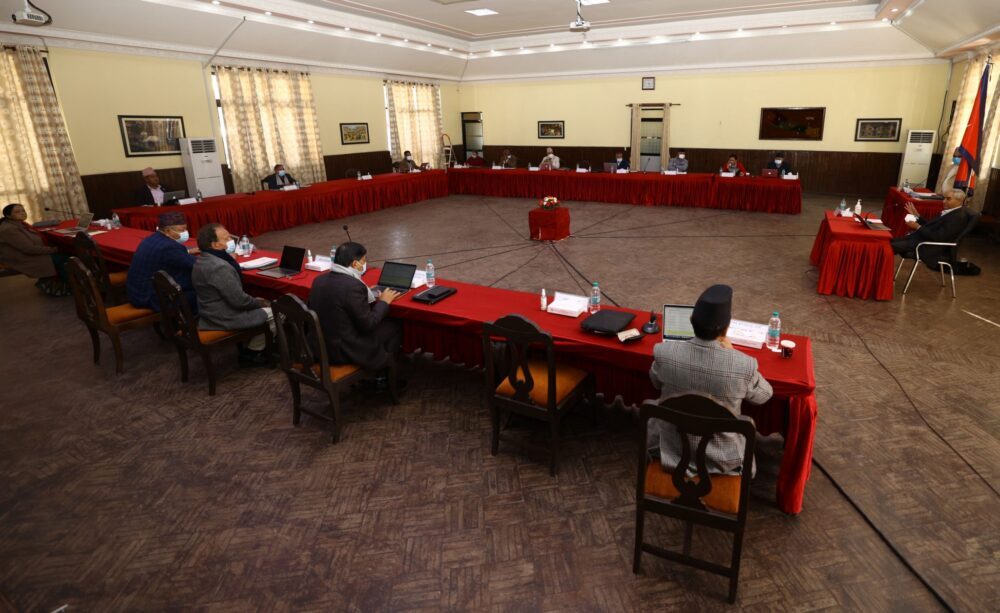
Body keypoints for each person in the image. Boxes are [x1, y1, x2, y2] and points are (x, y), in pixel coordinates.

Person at [648, 284, 772, 476]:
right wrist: (732, 353)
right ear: (726, 329)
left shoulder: (664, 352)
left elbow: (655, 382)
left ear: (691, 320)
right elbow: (764, 395)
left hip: (670, 451)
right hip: (724, 460)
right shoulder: (743, 365)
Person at [309, 241, 402, 383]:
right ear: (354, 264)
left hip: (319, 346)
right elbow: (368, 324)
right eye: (363, 261)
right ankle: (382, 374)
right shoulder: (353, 286)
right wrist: (383, 302)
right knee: (394, 325)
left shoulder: (318, 280)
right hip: (344, 351)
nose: (365, 264)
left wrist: (365, 294)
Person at [192, 223, 272, 364]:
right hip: (225, 317)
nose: (231, 240)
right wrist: (260, 302)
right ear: (215, 245)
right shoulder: (219, 267)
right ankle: (253, 352)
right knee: (277, 311)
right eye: (227, 238)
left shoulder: (202, 259)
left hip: (209, 312)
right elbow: (239, 301)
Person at [126, 211, 197, 312]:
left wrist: (187, 251)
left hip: (136, 293)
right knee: (204, 291)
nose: (185, 232)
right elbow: (197, 265)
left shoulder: (150, 238)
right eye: (182, 230)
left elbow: (169, 255)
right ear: (168, 230)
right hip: (150, 298)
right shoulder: (170, 247)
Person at [0, 203, 70, 296]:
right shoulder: (9, 229)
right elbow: (29, 249)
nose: (22, 213)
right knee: (64, 258)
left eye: (23, 210)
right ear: (8, 215)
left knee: (64, 252)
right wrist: (54, 249)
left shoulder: (19, 224)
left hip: (30, 252)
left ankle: (63, 282)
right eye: (17, 212)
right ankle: (72, 285)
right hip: (24, 257)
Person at [891, 189, 973, 265]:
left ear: (959, 201)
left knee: (889, 246)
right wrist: (917, 216)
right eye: (944, 198)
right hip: (920, 240)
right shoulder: (951, 211)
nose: (944, 201)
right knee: (887, 241)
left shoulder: (957, 218)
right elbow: (931, 226)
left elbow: (937, 237)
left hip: (928, 247)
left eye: (948, 199)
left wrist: (918, 227)